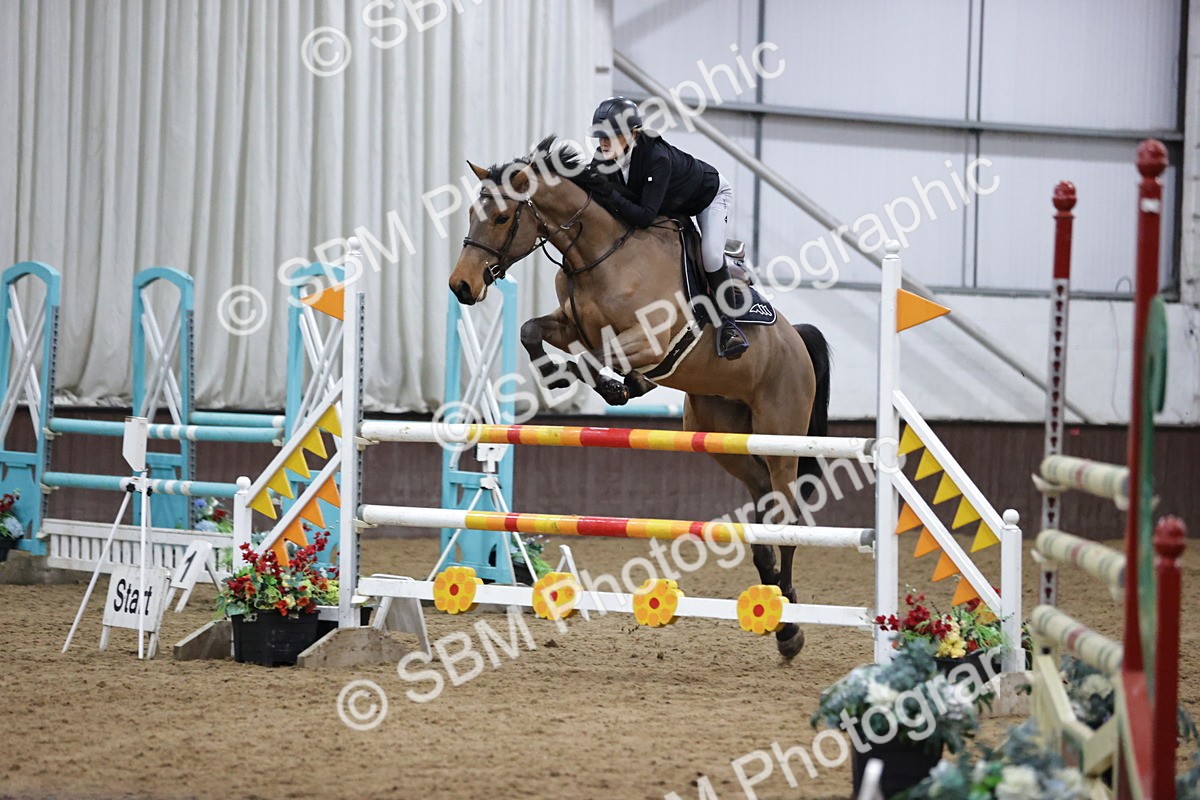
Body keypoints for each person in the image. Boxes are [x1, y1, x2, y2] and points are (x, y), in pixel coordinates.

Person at [588, 96, 748, 359]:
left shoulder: (656, 158)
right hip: (673, 203)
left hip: (709, 197)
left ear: (633, 134)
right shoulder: (602, 158)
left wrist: (607, 192)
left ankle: (729, 326)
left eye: (611, 135)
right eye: (600, 136)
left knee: (710, 255)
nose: (603, 142)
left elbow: (644, 217)